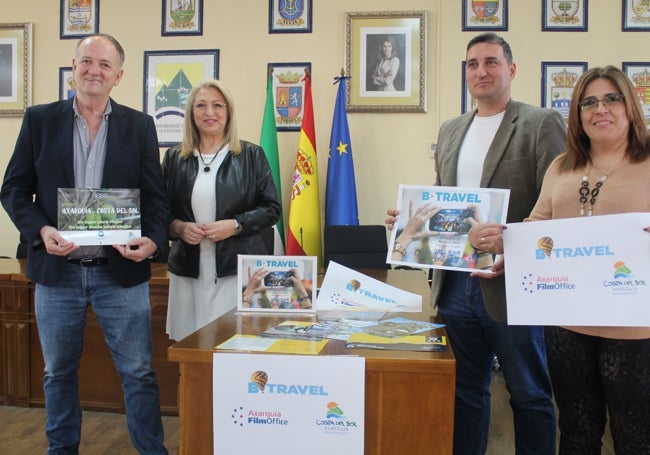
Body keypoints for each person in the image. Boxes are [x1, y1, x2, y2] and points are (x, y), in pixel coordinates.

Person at [386, 32, 566, 455]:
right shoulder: (451, 130)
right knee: (465, 392)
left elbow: (559, 203)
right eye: (472, 64)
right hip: (454, 285)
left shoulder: (541, 123)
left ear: (511, 70)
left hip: (511, 284)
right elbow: (439, 199)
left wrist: (514, 248)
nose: (480, 71)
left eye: (490, 62)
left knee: (530, 395)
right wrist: (406, 221)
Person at [0, 34, 169, 454]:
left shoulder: (139, 125)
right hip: (57, 275)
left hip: (121, 275)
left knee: (140, 373)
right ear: (72, 67)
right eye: (87, 62)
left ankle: (152, 450)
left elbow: (156, 199)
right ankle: (61, 450)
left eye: (105, 65)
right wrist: (40, 231)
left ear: (119, 76)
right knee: (57, 374)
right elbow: (14, 190)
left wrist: (152, 241)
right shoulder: (39, 120)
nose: (95, 70)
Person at [469, 65, 650, 454]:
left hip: (637, 330)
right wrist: (499, 246)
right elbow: (535, 231)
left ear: (630, 106)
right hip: (569, 327)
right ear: (578, 113)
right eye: (588, 102)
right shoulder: (562, 167)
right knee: (576, 431)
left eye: (611, 98)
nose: (599, 109)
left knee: (636, 435)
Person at [162, 79, 281, 341]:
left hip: (237, 270)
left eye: (218, 105)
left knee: (238, 343)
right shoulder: (174, 158)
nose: (209, 112)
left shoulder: (251, 155)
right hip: (189, 270)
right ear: (192, 113)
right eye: (201, 105)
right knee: (191, 345)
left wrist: (236, 225)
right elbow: (160, 212)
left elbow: (272, 208)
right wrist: (179, 228)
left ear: (228, 113)